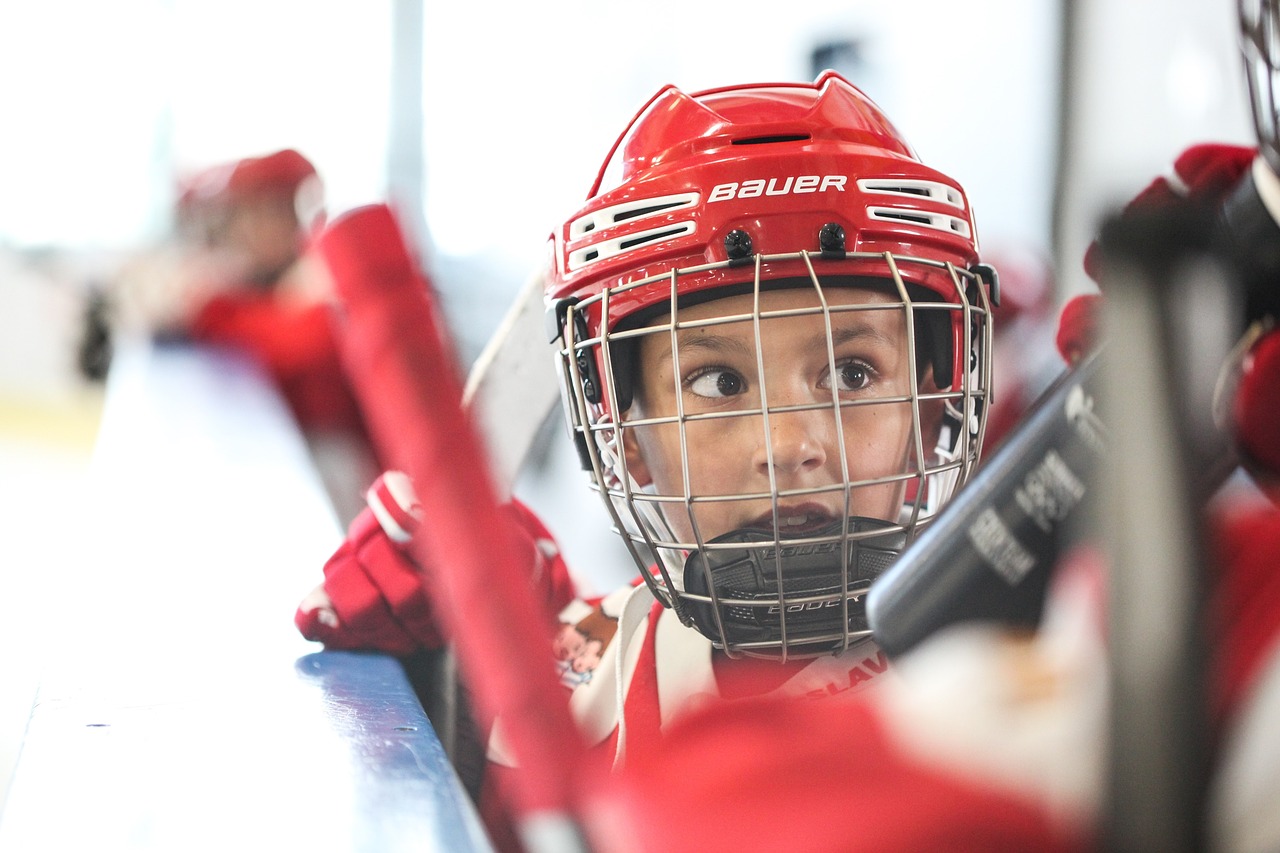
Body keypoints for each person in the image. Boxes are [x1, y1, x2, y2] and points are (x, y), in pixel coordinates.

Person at [295, 70, 997, 847]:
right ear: (628, 436)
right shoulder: (584, 678)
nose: (793, 443)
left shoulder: (1018, 695)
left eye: (853, 372)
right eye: (720, 381)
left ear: (930, 407)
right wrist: (465, 643)